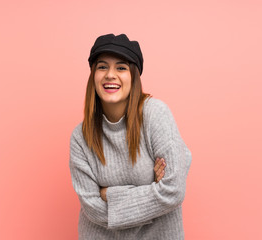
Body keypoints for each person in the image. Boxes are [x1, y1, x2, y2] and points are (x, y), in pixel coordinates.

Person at [69, 33, 192, 239]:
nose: (110, 74)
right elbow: (93, 209)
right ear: (93, 76)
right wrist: (152, 189)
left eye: (121, 67)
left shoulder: (155, 114)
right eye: (102, 67)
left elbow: (173, 190)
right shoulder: (80, 137)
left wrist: (108, 195)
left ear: (134, 76)